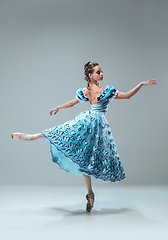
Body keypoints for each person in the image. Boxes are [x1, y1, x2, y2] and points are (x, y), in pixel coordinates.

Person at [12, 61, 157, 212]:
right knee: (67, 136)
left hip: (94, 124)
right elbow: (73, 102)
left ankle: (90, 194)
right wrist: (58, 107)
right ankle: (32, 136)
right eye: (98, 72)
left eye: (101, 71)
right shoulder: (94, 91)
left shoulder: (104, 90)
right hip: (94, 124)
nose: (102, 74)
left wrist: (141, 84)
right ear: (90, 75)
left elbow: (125, 96)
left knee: (84, 156)